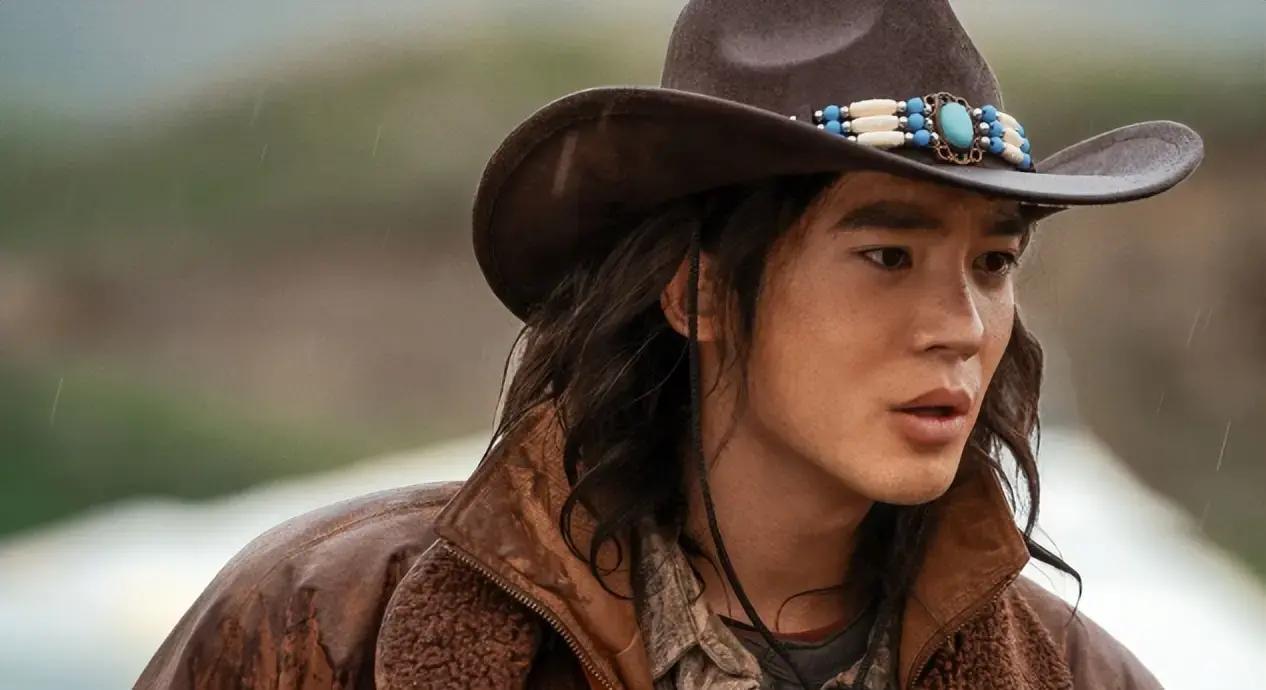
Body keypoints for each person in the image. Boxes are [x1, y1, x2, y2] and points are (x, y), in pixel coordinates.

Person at [135, 0, 1203, 688]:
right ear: (698, 293)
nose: (962, 329)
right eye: (888, 255)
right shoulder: (331, 624)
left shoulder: (1073, 676)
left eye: (994, 263)